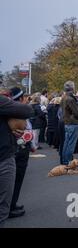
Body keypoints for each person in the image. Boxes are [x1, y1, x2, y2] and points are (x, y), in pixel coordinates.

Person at [0, 94, 33, 226]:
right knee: (2, 206)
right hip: (3, 159)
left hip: (4, 156)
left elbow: (26, 111)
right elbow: (27, 110)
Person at [8, 88, 33, 219]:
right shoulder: (17, 111)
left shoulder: (14, 110)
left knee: (17, 178)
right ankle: (10, 206)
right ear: (21, 98)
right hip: (20, 146)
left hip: (22, 145)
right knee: (16, 177)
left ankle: (12, 203)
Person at [61, 81, 78, 165]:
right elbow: (76, 112)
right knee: (71, 144)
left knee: (66, 143)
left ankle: (65, 160)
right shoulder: (70, 99)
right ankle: (68, 161)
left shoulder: (64, 97)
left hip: (67, 122)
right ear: (72, 88)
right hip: (73, 123)